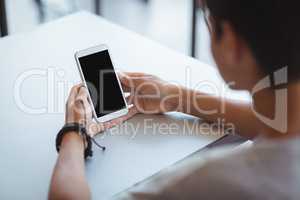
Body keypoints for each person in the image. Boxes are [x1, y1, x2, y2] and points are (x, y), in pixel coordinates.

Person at [49, 0, 300, 199]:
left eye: (209, 22)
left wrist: (74, 132)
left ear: (232, 44)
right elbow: (274, 122)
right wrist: (175, 97)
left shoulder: (212, 182)